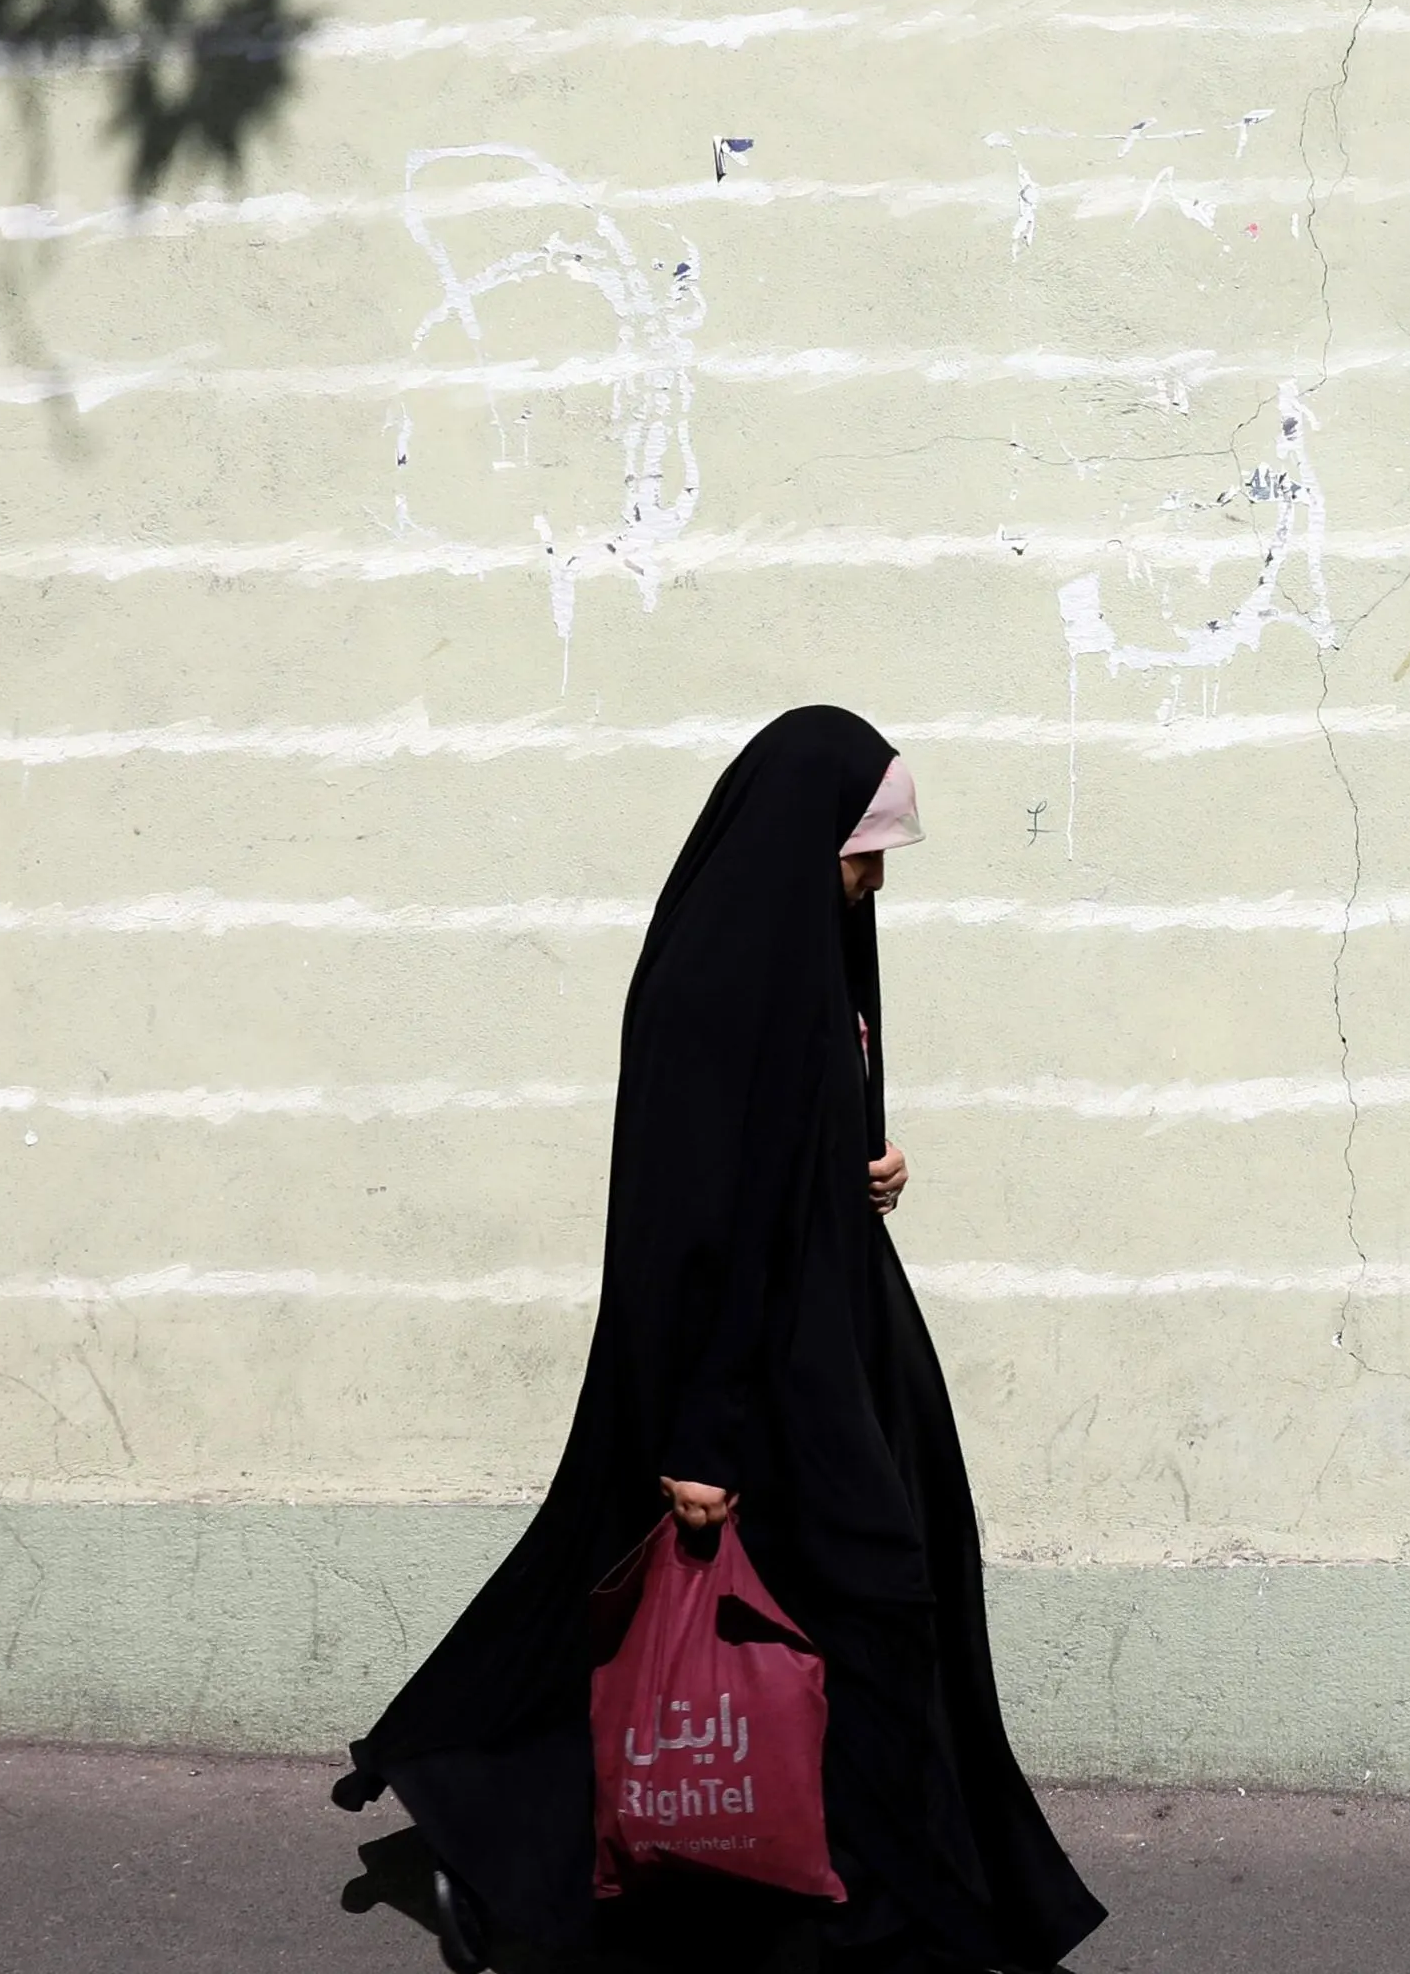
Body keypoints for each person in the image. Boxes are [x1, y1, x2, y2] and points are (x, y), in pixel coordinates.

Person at [339, 709, 1103, 1974]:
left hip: (822, 1353)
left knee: (819, 1633)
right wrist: (704, 1427)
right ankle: (513, 1854)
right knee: (813, 1621)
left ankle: (854, 1914)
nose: (871, 876)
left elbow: (798, 1154)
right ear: (806, 839)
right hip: (754, 1377)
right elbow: (702, 1221)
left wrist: (870, 1160)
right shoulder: (718, 982)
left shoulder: (809, 956)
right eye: (862, 849)